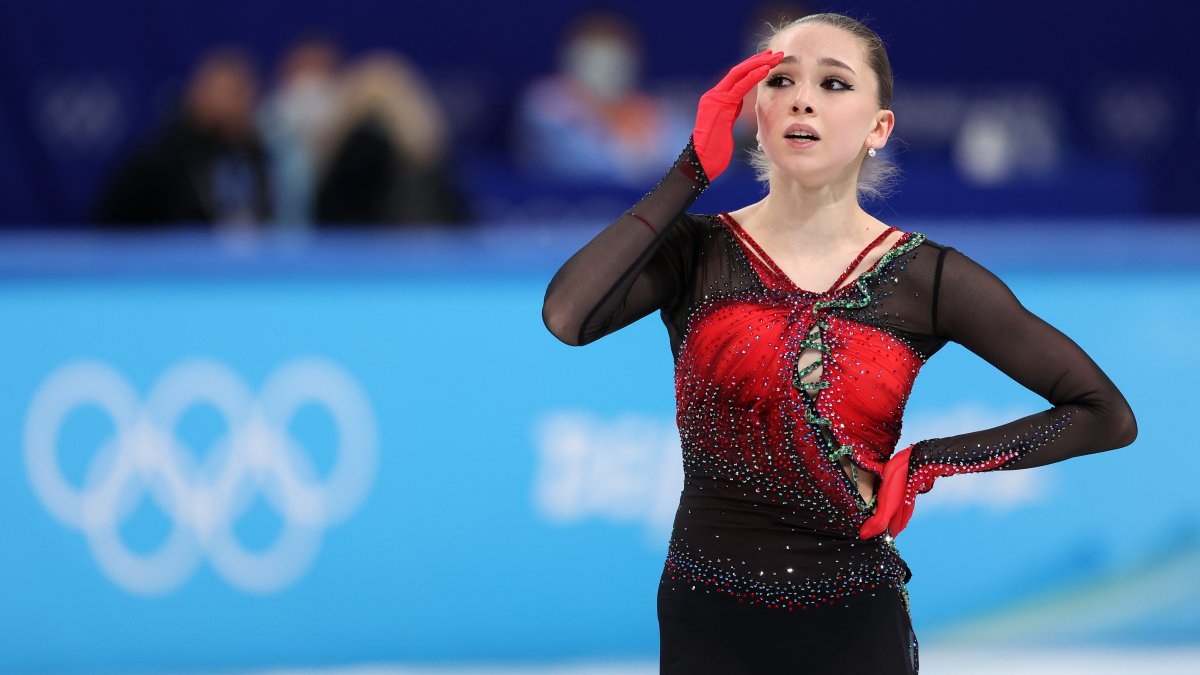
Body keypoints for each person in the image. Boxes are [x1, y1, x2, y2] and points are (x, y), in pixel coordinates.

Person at [541, 12, 1137, 675]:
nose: (802, 97)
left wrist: (930, 460)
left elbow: (1104, 412)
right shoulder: (696, 251)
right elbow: (568, 314)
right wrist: (688, 171)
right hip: (706, 617)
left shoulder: (925, 275)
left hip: (856, 624)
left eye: (833, 83)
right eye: (780, 80)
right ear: (754, 112)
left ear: (878, 126)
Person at [93, 46, 271, 228]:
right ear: (200, 95)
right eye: (231, 93)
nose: (241, 103)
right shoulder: (161, 157)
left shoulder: (256, 153)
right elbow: (110, 223)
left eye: (246, 93)